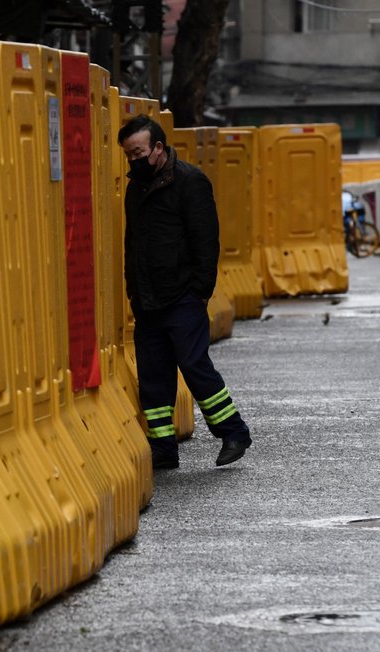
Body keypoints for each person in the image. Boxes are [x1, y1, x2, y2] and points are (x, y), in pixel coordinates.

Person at [117, 115, 252, 469]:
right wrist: (134, 288)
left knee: (194, 365)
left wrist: (198, 292)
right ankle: (163, 448)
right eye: (129, 155)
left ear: (158, 148)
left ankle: (233, 431)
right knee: (153, 373)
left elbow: (206, 242)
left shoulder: (190, 182)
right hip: (148, 300)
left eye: (139, 152)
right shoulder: (137, 187)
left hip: (182, 297)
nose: (134, 160)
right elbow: (134, 243)